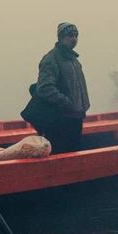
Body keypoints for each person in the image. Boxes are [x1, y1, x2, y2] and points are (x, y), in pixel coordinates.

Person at [21, 22, 90, 154]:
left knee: (75, 155)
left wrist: (83, 106)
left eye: (76, 35)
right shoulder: (51, 59)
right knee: (61, 155)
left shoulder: (74, 61)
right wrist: (66, 103)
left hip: (76, 118)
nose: (74, 39)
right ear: (61, 37)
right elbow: (45, 88)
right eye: (70, 35)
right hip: (61, 119)